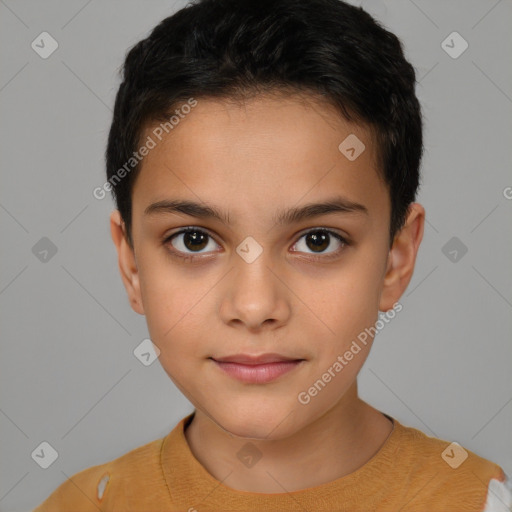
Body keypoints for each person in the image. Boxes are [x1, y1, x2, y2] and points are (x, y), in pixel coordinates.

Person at [34, 0, 512, 510]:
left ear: (396, 259)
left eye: (318, 240)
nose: (255, 306)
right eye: (194, 240)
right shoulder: (88, 503)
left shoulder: (474, 500)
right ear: (132, 266)